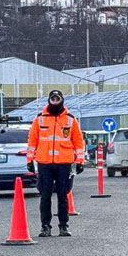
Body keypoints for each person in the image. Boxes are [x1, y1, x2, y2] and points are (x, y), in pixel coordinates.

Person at [26, 89, 85, 237]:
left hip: (63, 163)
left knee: (62, 195)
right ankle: (45, 226)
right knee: (45, 196)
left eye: (57, 98)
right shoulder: (39, 119)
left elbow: (78, 142)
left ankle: (63, 226)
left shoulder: (70, 120)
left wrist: (80, 161)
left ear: (62, 100)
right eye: (52, 98)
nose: (55, 100)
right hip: (45, 164)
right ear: (49, 100)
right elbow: (32, 140)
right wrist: (29, 159)